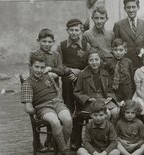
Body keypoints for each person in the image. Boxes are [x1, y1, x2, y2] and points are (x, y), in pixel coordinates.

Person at [21, 52, 72, 155]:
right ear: (30, 66)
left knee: (68, 119)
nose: (39, 70)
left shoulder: (48, 76)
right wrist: (39, 109)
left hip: (56, 103)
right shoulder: (27, 84)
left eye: (42, 67)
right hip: (43, 107)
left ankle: (58, 146)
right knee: (55, 122)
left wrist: (58, 102)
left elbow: (59, 77)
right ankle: (64, 150)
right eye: (36, 67)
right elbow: (28, 108)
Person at [73, 50, 120, 147]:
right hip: (90, 102)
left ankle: (111, 136)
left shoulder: (104, 73)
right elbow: (77, 92)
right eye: (91, 60)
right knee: (107, 113)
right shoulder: (83, 74)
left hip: (103, 99)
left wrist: (109, 98)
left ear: (100, 60)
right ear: (87, 61)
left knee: (116, 112)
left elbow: (110, 89)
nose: (94, 62)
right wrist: (87, 99)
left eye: (96, 59)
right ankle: (101, 139)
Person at [57, 18, 91, 150]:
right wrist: (70, 71)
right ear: (67, 31)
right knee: (69, 108)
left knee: (80, 109)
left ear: (81, 30)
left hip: (82, 82)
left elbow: (89, 64)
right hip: (67, 82)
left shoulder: (86, 46)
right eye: (71, 30)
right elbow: (58, 63)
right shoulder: (62, 45)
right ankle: (72, 139)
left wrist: (80, 73)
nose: (74, 32)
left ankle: (79, 138)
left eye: (77, 30)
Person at [30, 28, 64, 152]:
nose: (47, 44)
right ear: (38, 41)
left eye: (50, 42)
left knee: (54, 115)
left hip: (53, 91)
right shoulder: (34, 55)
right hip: (38, 91)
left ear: (53, 42)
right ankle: (37, 142)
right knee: (40, 116)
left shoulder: (56, 55)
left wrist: (51, 70)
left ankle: (49, 141)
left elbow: (61, 70)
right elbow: (32, 73)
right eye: (44, 41)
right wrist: (47, 75)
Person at [113, 0, 144, 70]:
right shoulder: (118, 25)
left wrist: (143, 54)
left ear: (138, 7)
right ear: (125, 8)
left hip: (141, 64)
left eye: (133, 7)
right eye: (128, 7)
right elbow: (115, 46)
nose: (131, 10)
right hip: (125, 65)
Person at [105, 38, 134, 102]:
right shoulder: (109, 63)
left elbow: (132, 77)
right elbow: (106, 78)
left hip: (127, 90)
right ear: (112, 50)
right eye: (115, 50)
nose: (118, 52)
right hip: (114, 90)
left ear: (125, 51)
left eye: (121, 50)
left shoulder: (129, 62)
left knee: (127, 106)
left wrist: (132, 92)